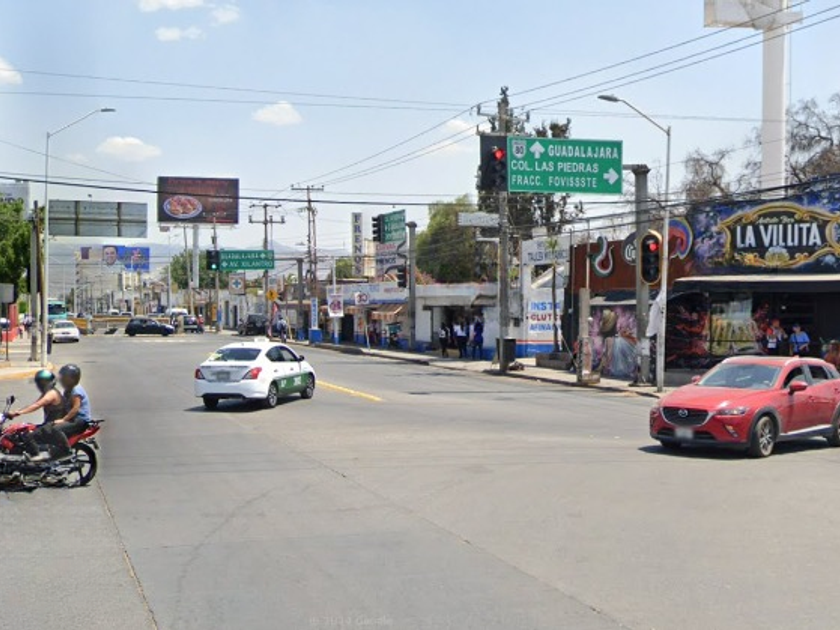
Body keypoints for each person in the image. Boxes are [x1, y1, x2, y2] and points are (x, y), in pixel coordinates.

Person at [7, 370, 70, 461]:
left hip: (53, 425)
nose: (40, 385)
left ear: (49, 382)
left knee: (28, 436)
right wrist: (17, 412)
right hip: (49, 424)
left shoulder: (51, 394)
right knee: (23, 430)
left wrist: (19, 413)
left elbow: (37, 405)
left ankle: (36, 457)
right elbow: (34, 404)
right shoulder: (48, 392)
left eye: (43, 382)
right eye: (39, 383)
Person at [55, 364, 93, 445]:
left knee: (56, 429)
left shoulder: (76, 391)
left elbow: (75, 408)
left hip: (79, 421)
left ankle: (65, 449)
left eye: (64, 377)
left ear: (72, 379)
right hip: (74, 419)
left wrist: (63, 420)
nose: (62, 379)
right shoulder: (68, 389)